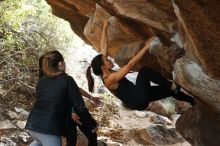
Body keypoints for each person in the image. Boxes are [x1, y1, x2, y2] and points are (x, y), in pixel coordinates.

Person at [86, 20, 194, 111]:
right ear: (103, 67)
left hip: (138, 94)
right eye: (106, 60)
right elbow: (130, 65)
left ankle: (192, 101)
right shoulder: (109, 79)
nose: (109, 59)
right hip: (138, 100)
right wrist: (146, 47)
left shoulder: (105, 70)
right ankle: (171, 85)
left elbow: (104, 46)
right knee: (144, 71)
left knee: (169, 91)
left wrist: (105, 27)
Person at [26, 51, 98, 146]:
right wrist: (92, 124)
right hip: (48, 129)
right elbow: (79, 107)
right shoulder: (67, 80)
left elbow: (53, 102)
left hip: (32, 125)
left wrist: (72, 111)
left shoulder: (42, 81)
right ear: (60, 63)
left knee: (39, 141)